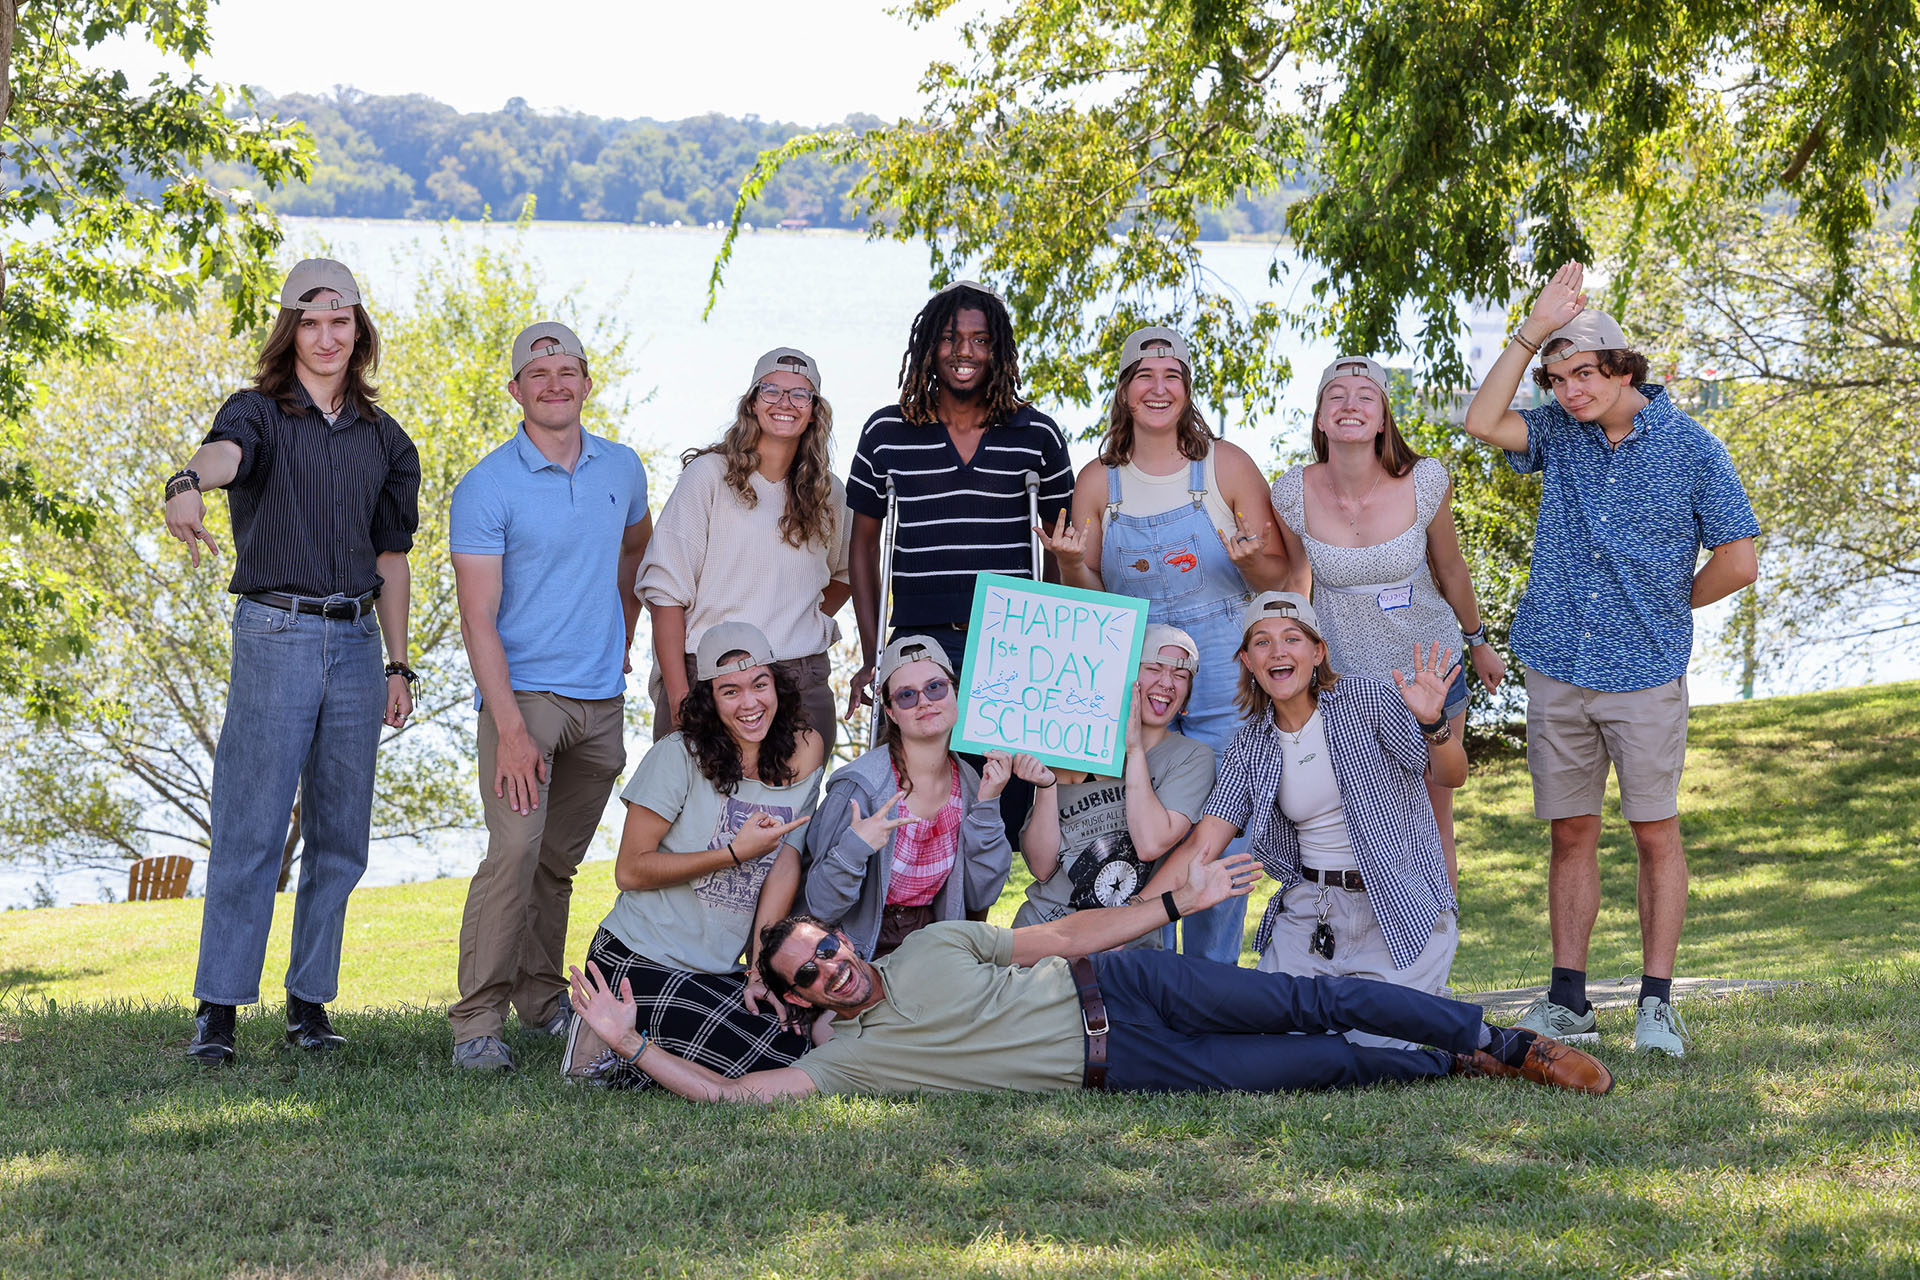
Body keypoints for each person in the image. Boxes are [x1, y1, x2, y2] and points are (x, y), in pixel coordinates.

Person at [565, 849, 1613, 1101]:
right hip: (1128, 1065)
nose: (834, 963)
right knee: (1319, 1060)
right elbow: (733, 1090)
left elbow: (1066, 939)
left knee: (1312, 995)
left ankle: (1504, 1038)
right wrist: (629, 1042)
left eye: (828, 942)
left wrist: (1177, 901)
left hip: (1138, 988)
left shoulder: (929, 944)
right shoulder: (858, 1064)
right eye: (811, 970)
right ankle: (1454, 1068)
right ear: (798, 998)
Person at [1461, 261, 1759, 1057]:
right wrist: (1529, 332)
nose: (1568, 392)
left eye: (1583, 374)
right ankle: (1570, 1001)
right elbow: (1482, 422)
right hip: (1557, 665)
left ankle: (1657, 1006)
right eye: (1556, 378)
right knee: (1571, 834)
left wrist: (1668, 605)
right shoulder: (1559, 433)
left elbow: (1739, 559)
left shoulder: (1693, 448)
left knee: (1655, 833)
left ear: (1624, 368)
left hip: (1646, 674)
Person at [162, 258, 419, 1065]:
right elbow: (222, 456)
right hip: (275, 634)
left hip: (354, 642)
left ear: (359, 329)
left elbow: (394, 558)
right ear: (290, 332)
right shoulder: (258, 413)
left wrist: (398, 665)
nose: (327, 336)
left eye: (340, 321)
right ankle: (218, 1012)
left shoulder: (387, 439)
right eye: (310, 322)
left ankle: (309, 1005)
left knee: (342, 836)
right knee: (252, 824)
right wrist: (184, 482)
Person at [1038, 326, 1289, 965]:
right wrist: (1067, 563)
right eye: (1143, 377)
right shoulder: (1099, 482)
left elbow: (1279, 579)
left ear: (1187, 388)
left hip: (1223, 684)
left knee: (1226, 830)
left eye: (1171, 376)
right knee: (1134, 825)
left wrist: (1250, 560)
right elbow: (1088, 595)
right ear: (1123, 392)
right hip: (1139, 679)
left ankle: (1209, 974)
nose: (1158, 388)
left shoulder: (1225, 466)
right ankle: (1140, 967)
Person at [445, 321, 652, 1071]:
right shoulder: (487, 486)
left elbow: (636, 550)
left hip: (601, 701)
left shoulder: (622, 469)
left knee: (557, 863)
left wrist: (623, 632)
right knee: (515, 852)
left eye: (568, 372)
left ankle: (541, 1000)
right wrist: (510, 728)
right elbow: (477, 620)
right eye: (539, 375)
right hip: (524, 701)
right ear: (516, 391)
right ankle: (476, 1023)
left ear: (587, 384)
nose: (555, 385)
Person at [1139, 593, 1465, 1048]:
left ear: (1318, 652)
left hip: (1396, 901)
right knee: (1269, 1045)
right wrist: (1129, 918)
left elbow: (1450, 775)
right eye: (1262, 642)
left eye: (1292, 638)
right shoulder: (1251, 745)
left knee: (1370, 1050)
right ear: (1248, 661)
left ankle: (1431, 1005)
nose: (1278, 651)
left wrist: (1434, 725)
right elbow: (1202, 844)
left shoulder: (1368, 701)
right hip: (1313, 912)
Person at [844, 280, 1074, 844]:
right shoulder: (886, 432)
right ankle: (911, 925)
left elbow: (1061, 549)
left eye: (979, 340)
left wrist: (1061, 652)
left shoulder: (1037, 436)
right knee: (919, 799)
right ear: (928, 347)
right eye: (950, 338)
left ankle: (974, 930)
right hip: (922, 639)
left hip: (1013, 641)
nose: (964, 351)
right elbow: (862, 545)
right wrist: (874, 652)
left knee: (1000, 803)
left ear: (998, 350)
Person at [1268, 355, 1506, 887]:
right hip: (1348, 683)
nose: (1350, 404)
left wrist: (1479, 642)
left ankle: (1439, 952)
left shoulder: (1425, 480)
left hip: (1429, 668)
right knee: (1364, 825)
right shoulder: (1290, 492)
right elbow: (1295, 583)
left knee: (1435, 815)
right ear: (1321, 419)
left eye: (1365, 396)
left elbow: (1450, 568)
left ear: (1382, 420)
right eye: (1337, 395)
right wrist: (1288, 666)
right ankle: (1374, 960)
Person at [562, 622, 823, 1087]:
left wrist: (761, 969)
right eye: (730, 691)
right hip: (638, 954)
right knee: (763, 1063)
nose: (750, 703)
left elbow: (785, 859)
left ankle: (626, 1044)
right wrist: (733, 853)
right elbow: (631, 871)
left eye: (760, 684)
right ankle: (602, 1036)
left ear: (776, 684)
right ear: (709, 698)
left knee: (797, 1039)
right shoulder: (676, 756)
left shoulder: (803, 752)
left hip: (719, 968)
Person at [638, 346, 849, 754]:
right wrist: (682, 697)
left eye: (799, 394)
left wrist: (795, 619)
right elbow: (665, 595)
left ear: (814, 411)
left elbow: (844, 576)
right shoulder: (708, 477)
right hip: (710, 676)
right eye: (771, 391)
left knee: (792, 817)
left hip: (798, 678)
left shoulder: (829, 494)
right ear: (752, 403)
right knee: (694, 814)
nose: (785, 403)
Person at [802, 634, 1014, 958]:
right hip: (854, 947)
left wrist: (986, 806)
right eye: (906, 696)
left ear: (954, 691)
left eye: (935, 687)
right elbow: (819, 907)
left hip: (931, 943)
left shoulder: (972, 783)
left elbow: (980, 895)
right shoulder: (859, 789)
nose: (925, 702)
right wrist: (854, 849)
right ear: (890, 711)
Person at [1012, 625, 1215, 947]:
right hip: (1043, 932)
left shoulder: (1191, 757)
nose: (1166, 682)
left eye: (1180, 675)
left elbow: (1150, 844)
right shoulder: (1071, 745)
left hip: (1127, 944)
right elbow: (1040, 867)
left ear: (1187, 696)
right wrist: (1046, 784)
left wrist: (1134, 751)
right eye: (1153, 668)